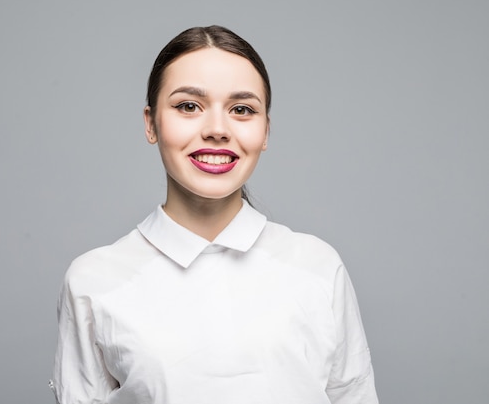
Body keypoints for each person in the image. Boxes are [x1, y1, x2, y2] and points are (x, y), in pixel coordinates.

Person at [51, 25, 378, 404]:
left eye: (242, 109)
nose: (217, 130)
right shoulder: (94, 281)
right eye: (188, 106)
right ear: (150, 123)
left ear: (265, 131)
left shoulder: (318, 267)